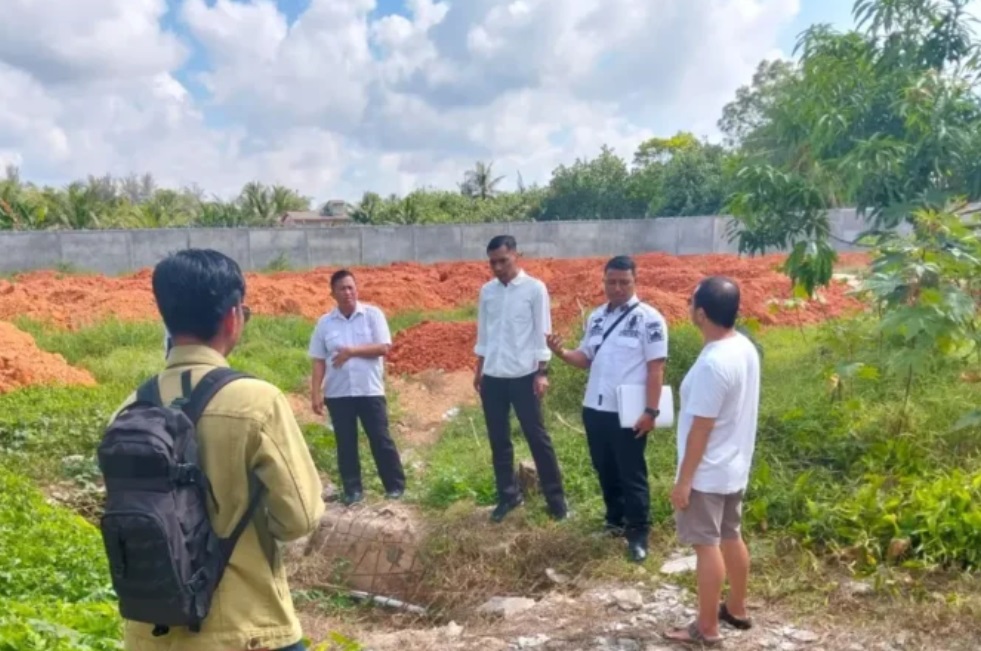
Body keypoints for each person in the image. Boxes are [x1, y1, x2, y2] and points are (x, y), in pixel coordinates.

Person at [113, 248, 324, 651]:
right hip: (248, 628)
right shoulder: (256, 401)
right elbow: (298, 518)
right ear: (232, 316)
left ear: (167, 317)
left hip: (150, 634)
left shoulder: (127, 408)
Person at [546, 255, 667, 563]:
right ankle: (614, 523)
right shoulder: (597, 317)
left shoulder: (649, 319)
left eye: (623, 282)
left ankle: (638, 532)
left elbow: (656, 368)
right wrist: (560, 352)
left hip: (628, 412)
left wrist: (651, 412)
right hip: (595, 408)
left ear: (634, 282)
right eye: (611, 282)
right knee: (605, 468)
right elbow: (585, 359)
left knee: (632, 472)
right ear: (604, 282)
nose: (616, 288)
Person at [664, 276, 761, 647]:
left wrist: (684, 481)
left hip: (707, 471)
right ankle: (736, 607)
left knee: (706, 545)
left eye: (691, 304)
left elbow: (701, 429)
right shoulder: (744, 347)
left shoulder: (712, 364)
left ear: (700, 313)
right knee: (730, 535)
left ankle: (706, 628)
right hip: (734, 464)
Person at [474, 234, 568, 522]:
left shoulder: (534, 289)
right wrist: (479, 370)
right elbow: (484, 334)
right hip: (494, 376)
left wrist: (542, 372)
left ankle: (557, 502)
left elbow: (543, 332)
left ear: (516, 255)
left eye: (503, 260)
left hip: (524, 376)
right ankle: (508, 496)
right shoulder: (487, 292)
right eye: (493, 263)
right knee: (499, 440)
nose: (498, 267)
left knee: (537, 438)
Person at [308, 268, 406, 505]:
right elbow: (318, 360)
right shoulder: (325, 323)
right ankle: (353, 490)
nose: (348, 292)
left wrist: (352, 352)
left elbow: (383, 347)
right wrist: (315, 393)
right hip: (338, 393)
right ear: (333, 293)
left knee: (380, 438)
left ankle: (395, 486)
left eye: (351, 287)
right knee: (346, 442)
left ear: (356, 289)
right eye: (342, 288)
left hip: (369, 390)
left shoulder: (373, 315)